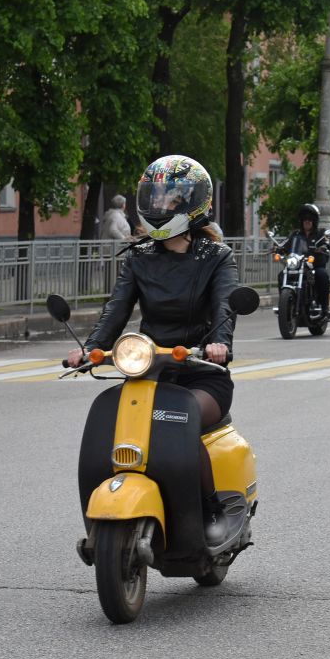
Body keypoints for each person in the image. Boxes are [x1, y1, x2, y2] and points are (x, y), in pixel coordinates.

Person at [65, 155, 238, 545]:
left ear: (194, 202)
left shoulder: (217, 258)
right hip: (149, 373)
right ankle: (100, 529)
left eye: (171, 198)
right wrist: (91, 349)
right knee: (109, 425)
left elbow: (225, 308)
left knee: (182, 423)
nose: (161, 206)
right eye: (155, 197)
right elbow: (116, 310)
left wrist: (218, 345)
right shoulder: (139, 258)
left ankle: (212, 510)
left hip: (200, 374)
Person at [280, 203, 330, 313]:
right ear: (301, 220)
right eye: (305, 219)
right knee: (282, 275)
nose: (307, 221)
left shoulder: (321, 233)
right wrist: (278, 248)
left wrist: (324, 246)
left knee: (322, 275)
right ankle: (285, 304)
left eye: (310, 219)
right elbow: (285, 244)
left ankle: (324, 307)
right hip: (298, 266)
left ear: (314, 221)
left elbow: (327, 241)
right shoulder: (295, 234)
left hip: (315, 265)